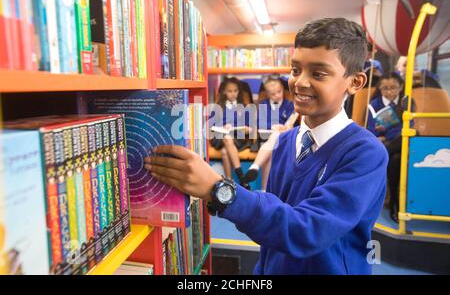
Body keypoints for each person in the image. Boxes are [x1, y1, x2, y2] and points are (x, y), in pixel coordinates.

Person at [144, 18, 388, 275]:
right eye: (295, 70)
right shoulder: (284, 143)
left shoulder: (365, 153)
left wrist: (219, 190)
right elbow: (274, 229)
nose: (300, 83)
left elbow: (308, 230)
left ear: (355, 82)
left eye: (318, 74)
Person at [367, 72, 415, 223]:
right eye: (385, 88)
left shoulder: (407, 102)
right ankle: (395, 204)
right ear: (380, 89)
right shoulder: (374, 105)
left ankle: (380, 156)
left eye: (393, 88)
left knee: (407, 140)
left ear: (400, 87)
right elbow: (370, 130)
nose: (389, 92)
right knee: (396, 159)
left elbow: (409, 127)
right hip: (386, 144)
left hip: (399, 142)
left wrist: (386, 133)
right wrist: (381, 132)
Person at [240, 77, 296, 189]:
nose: (277, 95)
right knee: (270, 150)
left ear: (282, 89)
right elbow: (259, 123)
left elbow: (291, 124)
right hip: (265, 138)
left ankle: (255, 167)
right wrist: (272, 126)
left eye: (279, 92)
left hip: (284, 138)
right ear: (268, 95)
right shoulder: (263, 105)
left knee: (275, 137)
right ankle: (264, 189)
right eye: (273, 94)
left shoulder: (290, 105)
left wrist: (283, 127)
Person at [209, 77, 252, 188]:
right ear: (224, 92)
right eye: (229, 91)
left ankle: (229, 182)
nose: (233, 94)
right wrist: (222, 127)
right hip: (220, 137)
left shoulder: (243, 107)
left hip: (238, 137)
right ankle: (241, 176)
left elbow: (249, 127)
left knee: (224, 152)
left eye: (235, 91)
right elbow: (212, 126)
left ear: (239, 91)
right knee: (227, 138)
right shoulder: (217, 107)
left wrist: (247, 128)